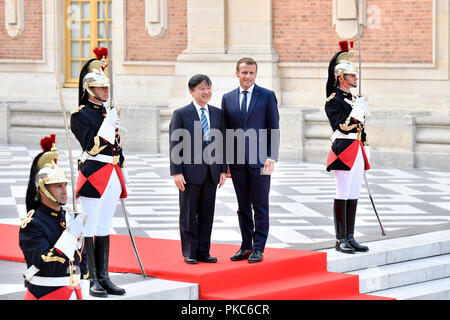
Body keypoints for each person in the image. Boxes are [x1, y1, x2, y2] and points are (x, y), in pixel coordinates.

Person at [70, 47, 127, 296]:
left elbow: (115, 145)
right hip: (94, 174)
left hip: (112, 173)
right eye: (101, 88)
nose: (106, 91)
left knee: (104, 226)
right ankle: (91, 277)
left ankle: (104, 276)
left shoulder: (107, 112)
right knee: (90, 226)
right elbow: (91, 146)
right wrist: (109, 122)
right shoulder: (79, 115)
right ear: (89, 90)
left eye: (107, 88)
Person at [221, 57, 280, 263]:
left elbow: (274, 128)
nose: (248, 76)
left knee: (261, 205)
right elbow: (226, 132)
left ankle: (258, 248)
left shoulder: (266, 96)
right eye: (244, 72)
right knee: (243, 206)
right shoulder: (227, 98)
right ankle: (246, 246)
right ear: (237, 73)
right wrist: (225, 161)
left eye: (251, 73)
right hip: (237, 162)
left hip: (260, 161)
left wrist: (272, 156)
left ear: (256, 74)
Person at [20, 134, 88, 300]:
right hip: (46, 294)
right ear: (42, 191)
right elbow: (48, 265)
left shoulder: (68, 218)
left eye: (64, 184)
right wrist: (71, 234)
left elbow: (81, 259)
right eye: (58, 186)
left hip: (73, 292)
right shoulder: (32, 224)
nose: (64, 190)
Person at [169, 74, 227, 264]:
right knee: (188, 214)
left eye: (208, 88)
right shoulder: (181, 114)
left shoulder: (218, 113)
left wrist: (223, 169)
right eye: (202, 88)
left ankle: (204, 251)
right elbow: (175, 143)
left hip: (211, 172)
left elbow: (222, 143)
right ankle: (189, 251)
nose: (206, 92)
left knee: (206, 214)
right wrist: (176, 172)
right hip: (189, 173)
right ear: (191, 91)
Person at [324, 41, 371, 254]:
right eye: (351, 76)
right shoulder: (333, 101)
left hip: (357, 147)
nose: (355, 78)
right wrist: (357, 112)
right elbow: (342, 126)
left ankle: (350, 236)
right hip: (344, 148)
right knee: (342, 191)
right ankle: (340, 238)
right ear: (341, 77)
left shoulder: (353, 98)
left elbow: (361, 128)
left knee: (353, 192)